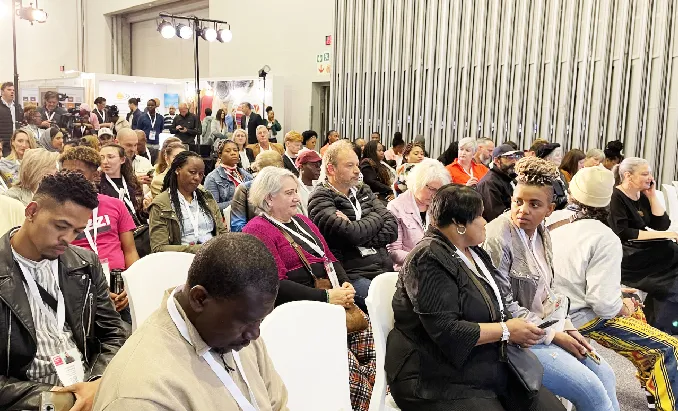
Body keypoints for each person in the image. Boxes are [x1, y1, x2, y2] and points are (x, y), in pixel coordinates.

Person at [385, 183, 564, 411]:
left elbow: (497, 305)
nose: (485, 222)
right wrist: (506, 330)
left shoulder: (475, 252)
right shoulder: (427, 259)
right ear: (459, 223)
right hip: (433, 376)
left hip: (485, 364)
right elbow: (447, 331)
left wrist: (520, 329)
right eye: (479, 216)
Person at [92, 233, 289, 411]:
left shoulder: (239, 331)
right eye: (246, 321)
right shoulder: (140, 395)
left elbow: (278, 405)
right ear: (199, 299)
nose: (255, 334)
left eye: (260, 320)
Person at [483, 156, 619, 411]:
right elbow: (500, 305)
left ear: (550, 209)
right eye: (518, 201)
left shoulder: (542, 232)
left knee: (606, 375)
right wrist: (554, 336)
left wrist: (567, 327)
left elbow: (549, 291)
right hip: (514, 339)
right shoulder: (497, 237)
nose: (523, 210)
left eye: (534, 204)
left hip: (545, 328)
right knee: (592, 391)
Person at [242, 167, 375, 411]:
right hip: (296, 311)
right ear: (269, 198)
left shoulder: (303, 222)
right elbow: (276, 284)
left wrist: (344, 284)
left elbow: (329, 257)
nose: (297, 198)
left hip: (330, 302)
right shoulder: (257, 230)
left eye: (296, 192)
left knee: (371, 343)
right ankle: (361, 401)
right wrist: (326, 296)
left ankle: (372, 397)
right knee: (344, 366)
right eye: (289, 193)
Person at [549, 165, 678, 411]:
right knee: (670, 347)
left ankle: (653, 386)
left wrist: (616, 292)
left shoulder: (551, 220)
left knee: (636, 311)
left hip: (555, 308)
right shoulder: (603, 236)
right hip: (581, 318)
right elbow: (603, 305)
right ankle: (664, 399)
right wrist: (622, 305)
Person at [0, 171, 126, 410]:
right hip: (29, 398)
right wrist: (57, 399)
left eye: (77, 231)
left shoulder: (85, 264)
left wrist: (97, 382)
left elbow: (113, 334)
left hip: (89, 385)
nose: (68, 238)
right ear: (32, 211)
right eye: (61, 226)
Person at [308, 140, 397, 311]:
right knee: (390, 305)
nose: (357, 170)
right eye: (350, 165)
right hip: (352, 275)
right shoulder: (320, 198)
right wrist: (376, 218)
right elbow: (348, 234)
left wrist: (357, 230)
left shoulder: (363, 190)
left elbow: (392, 228)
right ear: (331, 169)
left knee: (418, 299)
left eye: (357, 164)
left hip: (383, 268)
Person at [61, 147, 139, 322]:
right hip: (78, 286)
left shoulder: (116, 205)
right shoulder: (58, 211)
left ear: (95, 175)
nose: (70, 178)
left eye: (78, 173)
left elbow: (130, 251)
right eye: (65, 172)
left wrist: (131, 285)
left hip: (118, 285)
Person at [608, 157, 678, 334]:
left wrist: (652, 195)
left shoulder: (642, 195)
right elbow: (624, 232)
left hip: (643, 249)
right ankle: (662, 324)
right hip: (627, 254)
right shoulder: (616, 197)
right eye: (645, 174)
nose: (650, 178)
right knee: (672, 253)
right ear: (628, 176)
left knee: (672, 257)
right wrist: (665, 235)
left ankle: (662, 322)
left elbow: (662, 224)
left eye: (650, 174)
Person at [149, 151, 227, 253]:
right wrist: (199, 249)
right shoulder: (161, 204)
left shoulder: (207, 197)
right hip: (181, 259)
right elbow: (158, 248)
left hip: (213, 255)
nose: (197, 178)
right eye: (192, 172)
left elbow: (222, 232)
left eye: (201, 174)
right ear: (178, 170)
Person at [387, 158, 451, 270]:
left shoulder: (439, 205)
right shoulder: (396, 207)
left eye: (438, 191)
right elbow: (393, 252)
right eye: (431, 189)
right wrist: (423, 259)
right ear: (418, 183)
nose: (434, 195)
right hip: (409, 269)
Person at [230, 151, 289, 232]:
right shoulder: (244, 189)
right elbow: (237, 226)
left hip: (285, 233)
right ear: (260, 172)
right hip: (255, 235)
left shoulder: (285, 187)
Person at [476, 144, 523, 222]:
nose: (514, 161)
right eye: (510, 157)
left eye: (515, 157)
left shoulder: (510, 179)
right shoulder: (489, 183)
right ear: (497, 161)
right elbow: (496, 216)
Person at [99, 144, 145, 224]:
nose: (105, 161)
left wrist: (146, 209)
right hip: (110, 226)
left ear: (122, 160)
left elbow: (139, 213)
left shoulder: (132, 182)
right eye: (102, 157)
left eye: (110, 157)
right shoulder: (97, 185)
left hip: (135, 227)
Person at [205, 140, 254, 212]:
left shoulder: (246, 174)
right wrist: (239, 202)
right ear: (220, 155)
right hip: (228, 217)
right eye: (228, 151)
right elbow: (212, 207)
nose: (233, 153)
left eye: (235, 150)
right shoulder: (212, 178)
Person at [0, 82, 24, 156]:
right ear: (2, 92)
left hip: (16, 144)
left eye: (13, 90)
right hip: (3, 145)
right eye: (9, 90)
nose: (12, 92)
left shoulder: (18, 107)